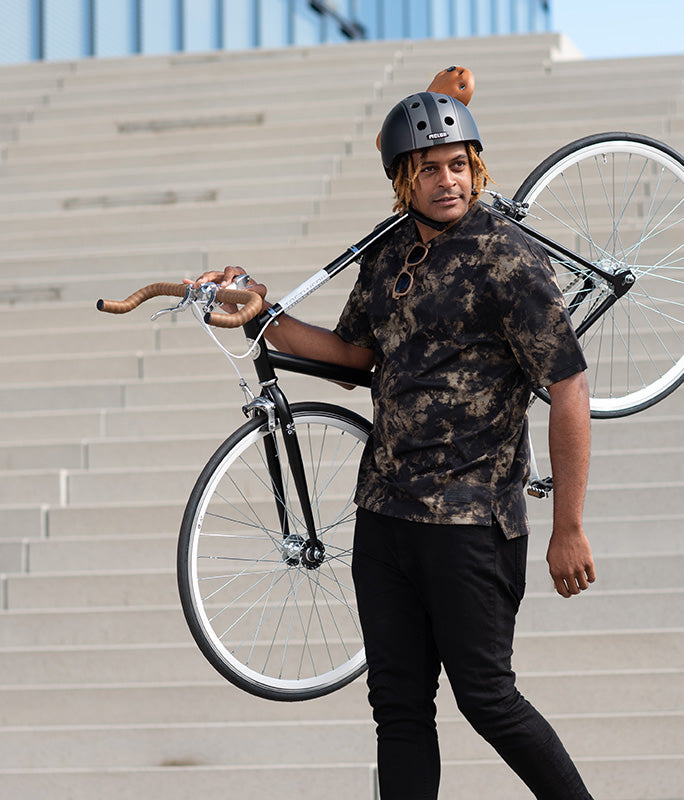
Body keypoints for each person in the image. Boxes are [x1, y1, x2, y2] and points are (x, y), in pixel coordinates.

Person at [189, 90, 596, 799]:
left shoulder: (508, 258)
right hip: (384, 518)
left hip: (473, 521)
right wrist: (267, 315)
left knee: (487, 700)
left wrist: (569, 526)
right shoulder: (387, 252)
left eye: (459, 165)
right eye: (431, 169)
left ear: (476, 168)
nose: (449, 181)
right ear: (404, 180)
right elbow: (353, 354)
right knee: (399, 711)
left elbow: (569, 388)